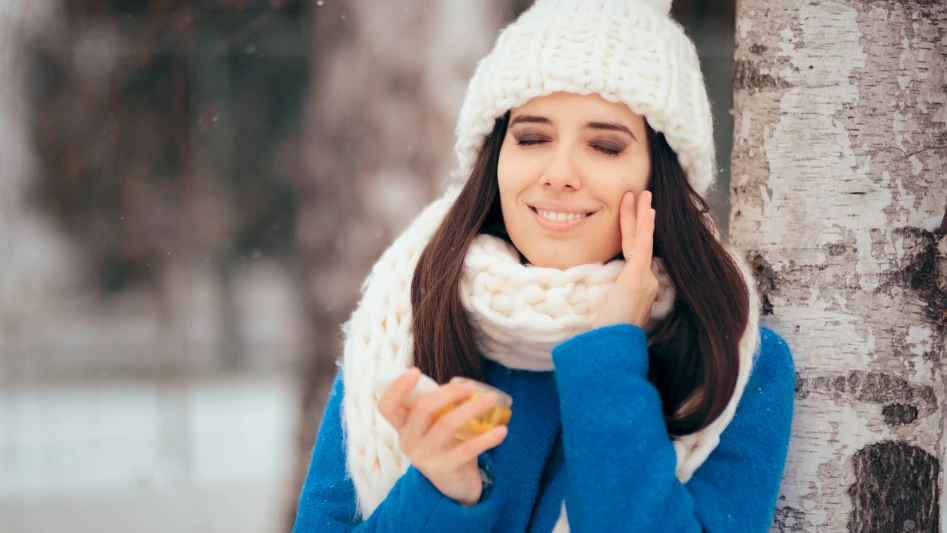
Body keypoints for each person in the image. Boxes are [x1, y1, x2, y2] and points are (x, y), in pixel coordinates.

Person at [292, 0, 795, 531]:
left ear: (659, 176)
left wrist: (611, 361)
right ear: (495, 160)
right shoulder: (402, 326)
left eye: (604, 146)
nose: (559, 174)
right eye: (532, 138)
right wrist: (442, 495)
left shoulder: (734, 359)